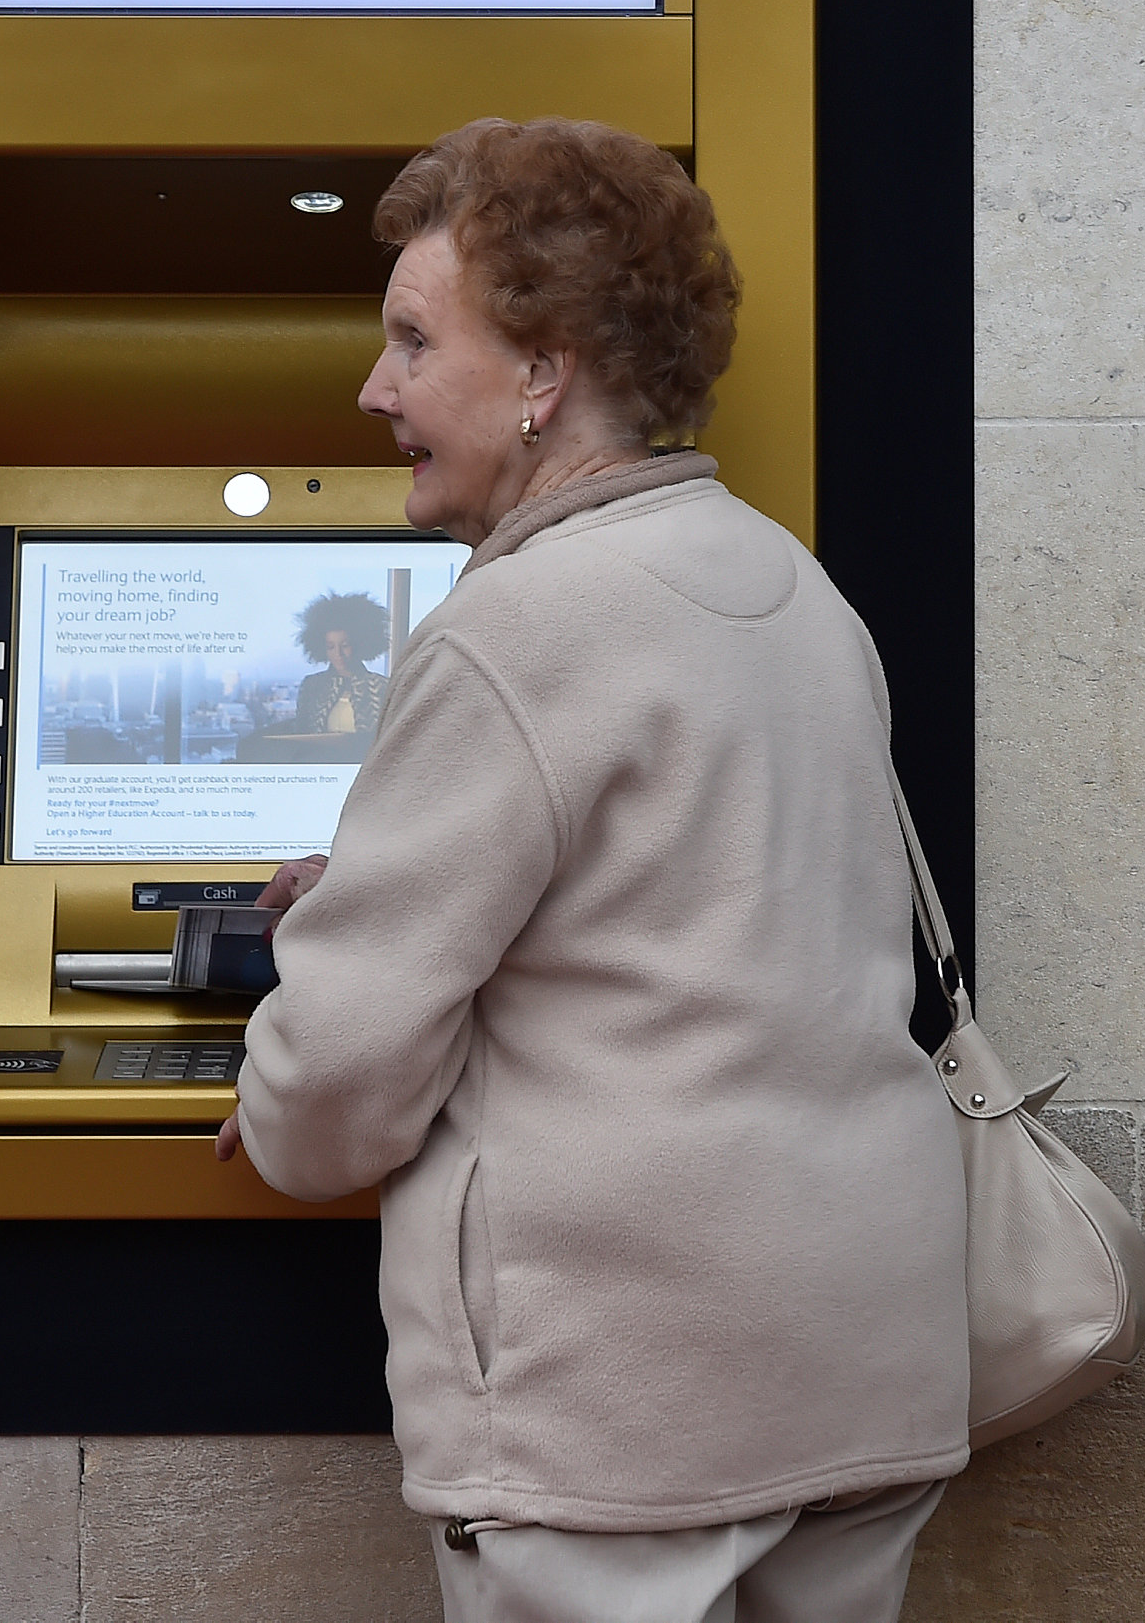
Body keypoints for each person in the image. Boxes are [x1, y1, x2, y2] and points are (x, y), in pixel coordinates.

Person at [216, 116, 969, 1623]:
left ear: (545, 370)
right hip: (854, 1359)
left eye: (415, 342)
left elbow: (335, 1097)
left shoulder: (515, 628)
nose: (378, 389)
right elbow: (696, 916)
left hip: (625, 1407)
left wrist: (274, 1086)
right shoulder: (793, 586)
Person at [286, 591, 393, 736]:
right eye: (331, 647)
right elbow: (300, 734)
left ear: (360, 643)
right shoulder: (312, 686)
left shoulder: (382, 687)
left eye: (345, 645)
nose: (338, 653)